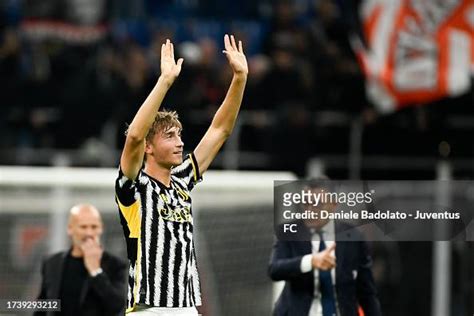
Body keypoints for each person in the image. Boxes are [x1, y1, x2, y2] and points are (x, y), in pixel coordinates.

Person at [115, 34, 247, 315]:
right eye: (170, 136)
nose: (180, 143)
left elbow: (220, 130)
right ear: (150, 148)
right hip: (148, 309)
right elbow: (135, 136)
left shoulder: (184, 180)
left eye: (180, 136)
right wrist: (164, 82)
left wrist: (239, 78)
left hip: (187, 307)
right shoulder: (134, 187)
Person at [269, 184, 382, 316]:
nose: (310, 210)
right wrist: (310, 261)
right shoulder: (289, 232)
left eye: (317, 205)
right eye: (306, 204)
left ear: (333, 205)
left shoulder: (353, 237)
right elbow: (274, 269)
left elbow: (366, 291)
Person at [35, 204, 128, 316]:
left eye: (94, 227)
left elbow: (118, 306)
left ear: (101, 229)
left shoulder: (115, 265)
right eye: (83, 227)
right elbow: (43, 305)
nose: (89, 233)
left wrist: (96, 271)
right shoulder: (52, 263)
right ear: (70, 229)